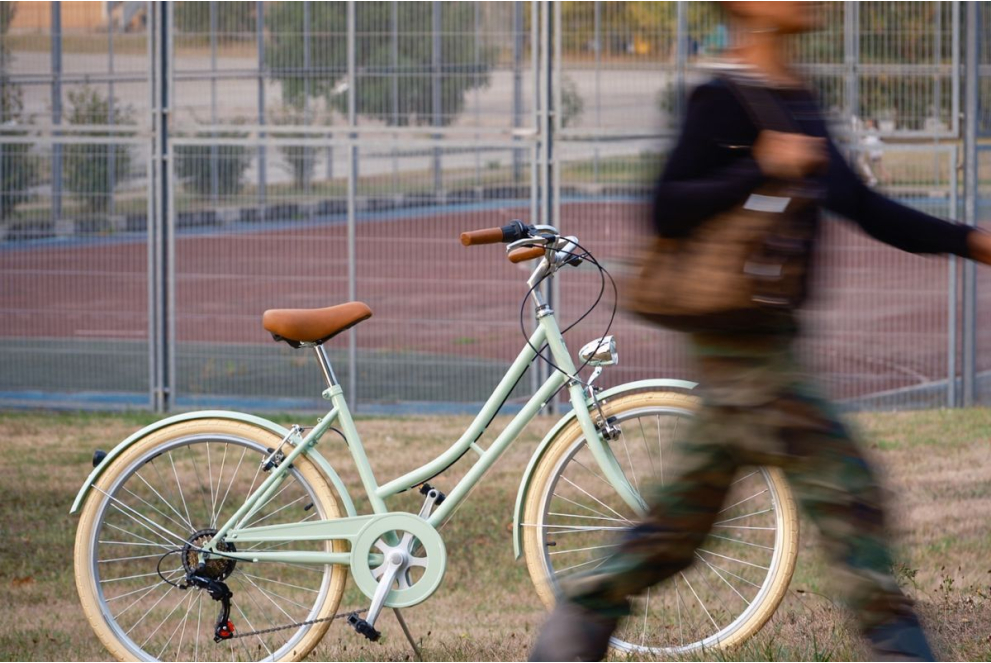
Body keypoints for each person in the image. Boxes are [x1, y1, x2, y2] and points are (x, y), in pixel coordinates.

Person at [529, 3, 991, 661]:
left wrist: (972, 241)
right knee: (849, 493)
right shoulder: (721, 98)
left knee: (680, 526)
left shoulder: (799, 101)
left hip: (769, 343)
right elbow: (665, 207)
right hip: (738, 353)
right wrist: (760, 167)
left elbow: (862, 207)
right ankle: (898, 640)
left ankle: (581, 617)